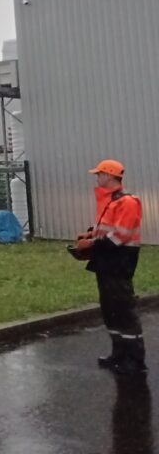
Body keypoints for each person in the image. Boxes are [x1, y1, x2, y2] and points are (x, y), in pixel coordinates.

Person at [74, 159, 146, 375]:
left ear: (110, 176)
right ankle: (119, 354)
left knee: (124, 311)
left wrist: (92, 244)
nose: (97, 178)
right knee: (110, 310)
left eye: (100, 174)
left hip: (120, 261)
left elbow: (120, 236)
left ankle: (135, 359)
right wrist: (91, 234)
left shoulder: (127, 202)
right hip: (106, 261)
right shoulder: (110, 201)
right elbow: (107, 229)